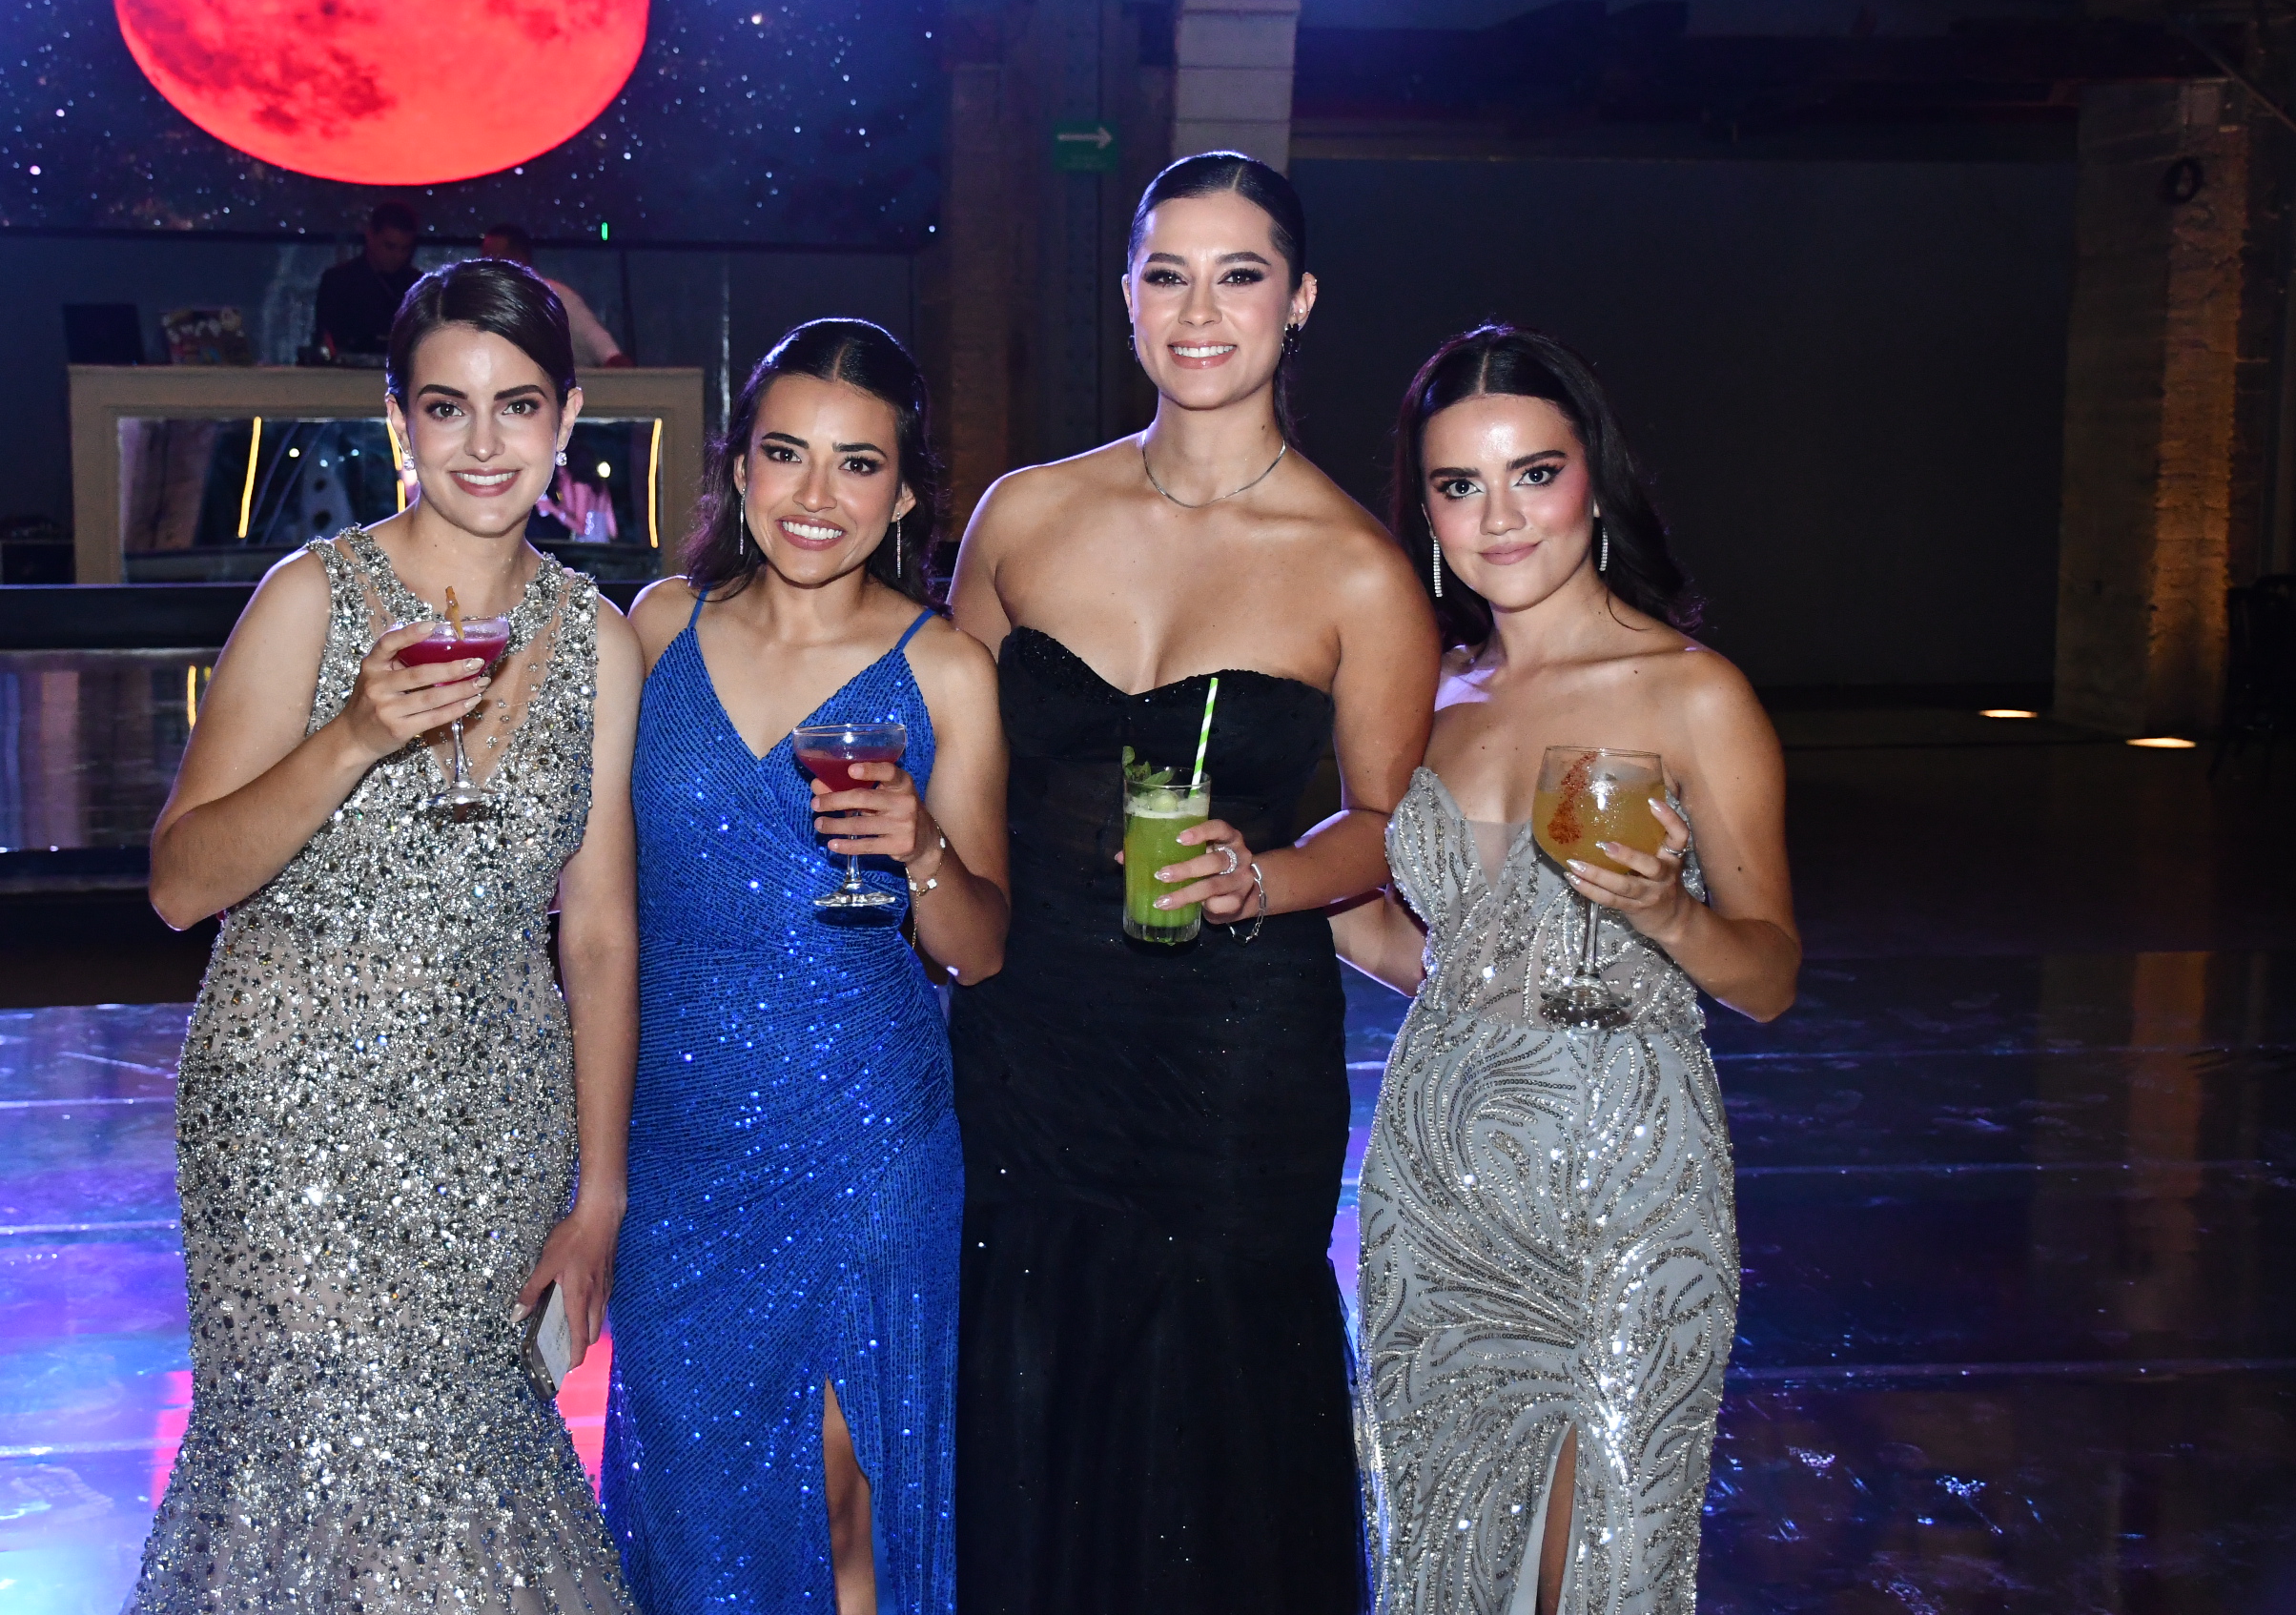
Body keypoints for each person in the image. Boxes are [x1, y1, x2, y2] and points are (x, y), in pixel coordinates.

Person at [944, 153, 1440, 1615]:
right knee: (1036, 1380)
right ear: (1128, 297)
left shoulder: (1358, 571)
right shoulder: (1024, 516)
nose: (1201, 312)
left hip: (1230, 1061)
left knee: (1211, 1410)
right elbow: (955, 760)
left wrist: (1266, 877)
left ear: (1300, 301)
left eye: (1239, 277)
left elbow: (1384, 829)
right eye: (1169, 275)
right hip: (1030, 1036)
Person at [132, 258, 640, 1614]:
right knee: (321, 1472)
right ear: (399, 421)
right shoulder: (311, 597)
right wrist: (353, 735)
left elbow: (598, 932)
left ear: (566, 417)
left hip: (496, 1127)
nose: (484, 444)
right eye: (447, 406)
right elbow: (180, 883)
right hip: (290, 1120)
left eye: (517, 405)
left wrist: (599, 1192)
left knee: (469, 1469)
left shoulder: (601, 642)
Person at [1334, 325, 1798, 1615]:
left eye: (1533, 473)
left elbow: (1769, 974)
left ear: (1593, 476)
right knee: (1449, 1567)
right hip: (1436, 1198)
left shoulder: (1692, 694)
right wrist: (1267, 886)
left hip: (1624, 1196)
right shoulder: (1428, 696)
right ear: (1427, 513)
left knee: (1603, 1570)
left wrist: (1669, 914)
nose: (1501, 517)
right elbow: (1444, 959)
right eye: (1460, 484)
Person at [606, 319, 1008, 1615]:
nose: (816, 495)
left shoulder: (945, 666)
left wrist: (925, 849)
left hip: (863, 1137)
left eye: (858, 464)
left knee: (841, 1497)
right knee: (691, 1501)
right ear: (739, 468)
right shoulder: (656, 629)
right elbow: (593, 895)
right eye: (786, 454)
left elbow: (979, 950)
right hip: (678, 1147)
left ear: (904, 496)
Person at [483, 223, 634, 367]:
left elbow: (605, 349)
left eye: (493, 258)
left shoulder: (558, 297)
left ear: (518, 257)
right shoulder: (485, 304)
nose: (486, 266)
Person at [312, 199, 423, 361]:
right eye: (390, 247)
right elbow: (326, 340)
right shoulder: (339, 282)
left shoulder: (418, 285)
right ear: (370, 236)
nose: (398, 256)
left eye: (405, 249)